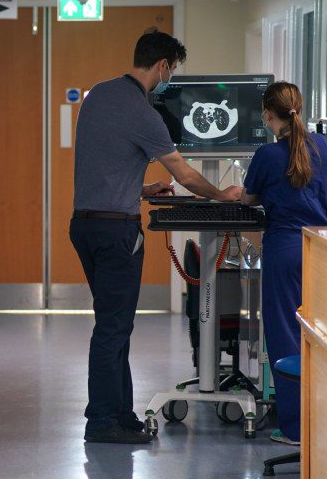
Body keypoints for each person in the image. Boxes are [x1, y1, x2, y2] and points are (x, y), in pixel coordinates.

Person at [70, 29, 243, 445]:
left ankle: (121, 413)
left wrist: (142, 189)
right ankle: (101, 422)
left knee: (116, 324)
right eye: (172, 70)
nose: (169, 79)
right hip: (116, 232)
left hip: (86, 225)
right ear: (163, 66)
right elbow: (183, 173)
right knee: (113, 328)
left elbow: (103, 164)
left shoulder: (97, 96)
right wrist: (222, 195)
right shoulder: (142, 112)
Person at [241, 81, 327, 445]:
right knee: (319, 337)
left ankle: (296, 428)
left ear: (268, 114)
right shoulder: (323, 147)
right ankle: (324, 423)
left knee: (284, 336)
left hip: (284, 251)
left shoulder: (267, 155)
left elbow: (248, 197)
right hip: (321, 250)